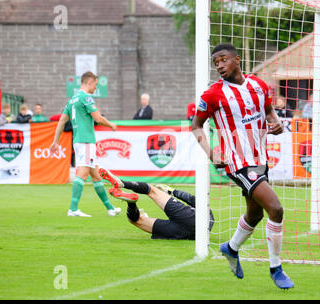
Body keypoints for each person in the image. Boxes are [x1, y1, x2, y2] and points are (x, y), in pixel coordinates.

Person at [191, 43, 294, 290]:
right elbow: (196, 125)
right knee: (276, 209)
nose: (219, 65)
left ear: (237, 59)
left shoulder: (259, 85)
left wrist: (276, 124)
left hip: (260, 158)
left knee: (255, 214)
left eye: (224, 60)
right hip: (237, 162)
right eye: (216, 62)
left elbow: (269, 112)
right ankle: (276, 268)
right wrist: (210, 153)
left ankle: (231, 247)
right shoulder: (212, 94)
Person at [50, 71, 120, 218]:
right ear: (90, 82)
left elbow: (62, 121)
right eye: (95, 84)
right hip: (86, 141)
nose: (95, 87)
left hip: (79, 141)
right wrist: (111, 125)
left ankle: (110, 208)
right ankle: (73, 208)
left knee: (96, 175)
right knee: (83, 173)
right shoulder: (86, 97)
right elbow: (97, 118)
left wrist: (55, 141)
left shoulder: (72, 99)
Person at [99, 168, 214, 239]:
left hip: (189, 220)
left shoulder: (206, 212)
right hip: (188, 234)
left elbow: (192, 199)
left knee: (151, 190)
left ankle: (122, 184)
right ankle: (131, 202)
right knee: (136, 220)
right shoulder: (209, 217)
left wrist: (172, 191)